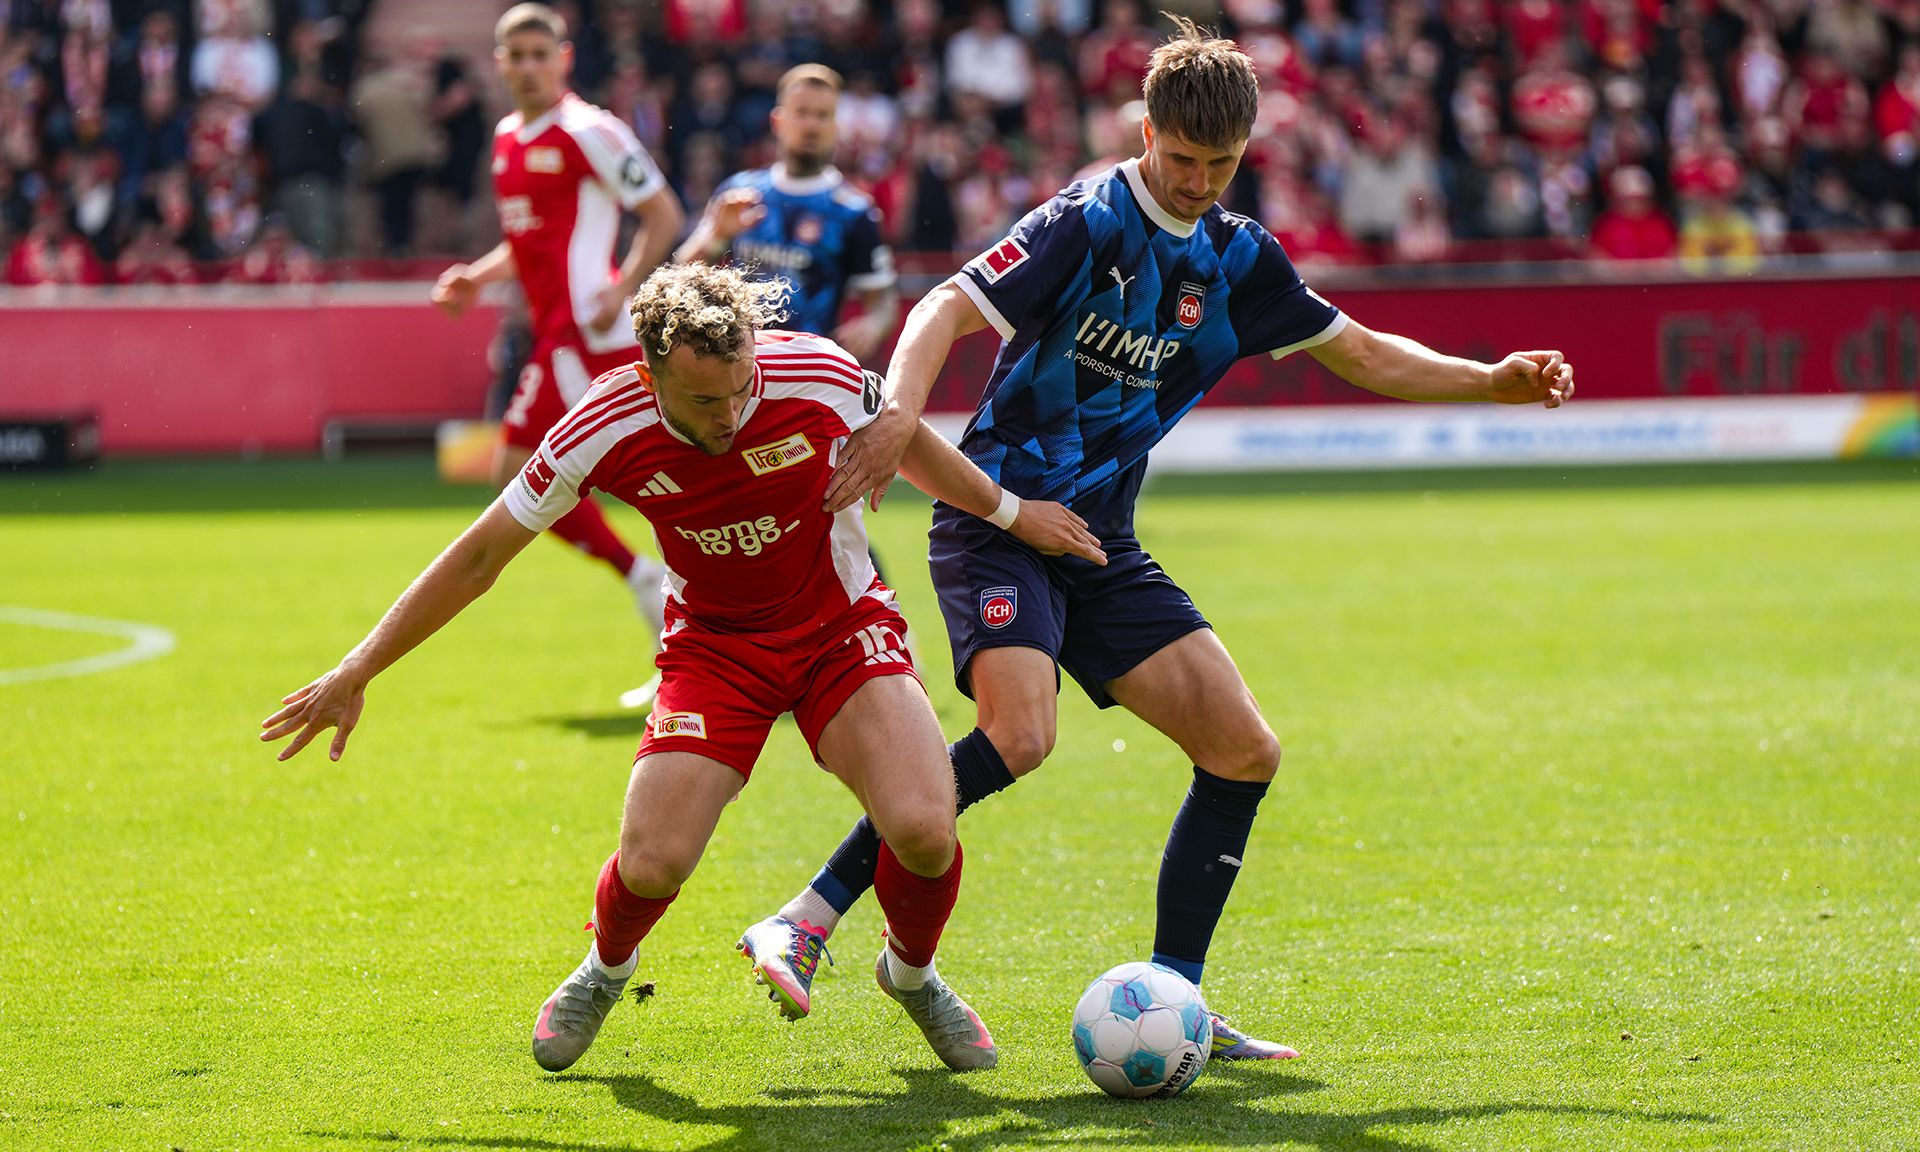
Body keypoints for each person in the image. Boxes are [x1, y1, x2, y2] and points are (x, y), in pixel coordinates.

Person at [740, 17, 1576, 1061]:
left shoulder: (1239, 258)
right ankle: (806, 918)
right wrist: (902, 414)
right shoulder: (1087, 218)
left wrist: (1486, 377)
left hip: (1099, 545)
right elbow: (944, 309)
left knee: (1243, 751)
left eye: (1218, 164)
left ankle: (1178, 1001)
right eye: (1180, 159)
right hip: (998, 523)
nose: (1194, 181)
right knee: (1023, 736)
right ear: (1146, 132)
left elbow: (1360, 353)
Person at [260, 263, 1108, 1075]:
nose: (734, 411)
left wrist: (1013, 513)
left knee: (925, 830)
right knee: (653, 862)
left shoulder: (812, 371)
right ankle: (604, 968)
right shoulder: (602, 424)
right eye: (707, 399)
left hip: (840, 631)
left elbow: (906, 440)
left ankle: (913, 977)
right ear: (651, 373)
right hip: (714, 650)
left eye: (743, 387)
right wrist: (359, 668)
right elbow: (481, 557)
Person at [430, 3, 684, 708]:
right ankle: (664, 597)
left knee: (547, 475)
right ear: (500, 63)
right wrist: (474, 279)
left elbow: (662, 213)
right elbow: (532, 241)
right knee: (560, 475)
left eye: (542, 54)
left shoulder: (590, 130)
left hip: (590, 336)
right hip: (555, 336)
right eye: (517, 56)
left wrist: (623, 287)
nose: (530, 67)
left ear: (564, 59)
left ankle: (663, 595)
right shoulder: (509, 137)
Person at [675, 63, 899, 365]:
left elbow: (883, 301)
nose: (811, 124)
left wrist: (873, 324)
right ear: (777, 121)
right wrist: (717, 237)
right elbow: (680, 278)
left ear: (835, 127)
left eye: (822, 115)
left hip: (809, 372)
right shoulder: (740, 193)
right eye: (802, 112)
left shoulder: (853, 212)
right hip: (738, 368)